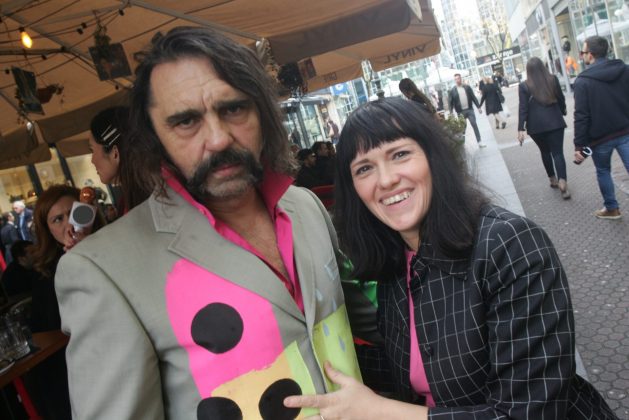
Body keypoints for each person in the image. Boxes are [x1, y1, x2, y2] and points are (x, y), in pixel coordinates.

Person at [55, 26, 361, 419]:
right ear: (153, 138)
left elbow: (363, 321)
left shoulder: (304, 207)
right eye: (186, 121)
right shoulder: (103, 270)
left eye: (233, 109)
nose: (217, 139)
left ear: (261, 112)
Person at [284, 98, 618, 419]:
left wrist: (380, 412)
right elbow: (414, 368)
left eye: (399, 154)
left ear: (434, 157)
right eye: (364, 169)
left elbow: (528, 411)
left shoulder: (509, 245)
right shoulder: (396, 262)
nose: (385, 180)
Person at [28, 185, 103, 420]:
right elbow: (47, 330)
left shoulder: (110, 245)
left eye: (73, 212)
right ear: (48, 230)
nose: (68, 224)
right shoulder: (45, 275)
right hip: (76, 372)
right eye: (57, 219)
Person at [574, 35, 629, 219]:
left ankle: (612, 209)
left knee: (603, 171)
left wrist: (579, 145)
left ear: (590, 55)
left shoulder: (582, 81)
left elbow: (581, 116)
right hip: (626, 130)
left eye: (583, 52)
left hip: (600, 138)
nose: (582, 55)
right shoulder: (624, 70)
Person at [518, 57, 570, 199]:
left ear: (528, 70)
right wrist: (563, 110)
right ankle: (562, 181)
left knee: (545, 152)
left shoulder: (524, 86)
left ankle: (552, 179)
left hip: (536, 127)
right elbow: (560, 98)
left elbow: (523, 108)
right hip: (555, 122)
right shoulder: (552, 79)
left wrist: (520, 128)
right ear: (542, 67)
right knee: (558, 153)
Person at [89, 106, 152, 212]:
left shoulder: (140, 201)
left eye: (92, 150)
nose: (92, 160)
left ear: (115, 154)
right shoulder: (152, 187)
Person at [448, 73, 484, 147]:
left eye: (458, 78)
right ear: (454, 80)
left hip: (469, 110)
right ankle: (462, 143)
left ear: (461, 78)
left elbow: (473, 97)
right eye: (456, 79)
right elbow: (450, 102)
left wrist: (478, 107)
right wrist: (451, 112)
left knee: (474, 124)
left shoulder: (467, 87)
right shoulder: (452, 91)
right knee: (463, 128)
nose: (457, 80)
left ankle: (479, 142)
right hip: (460, 112)